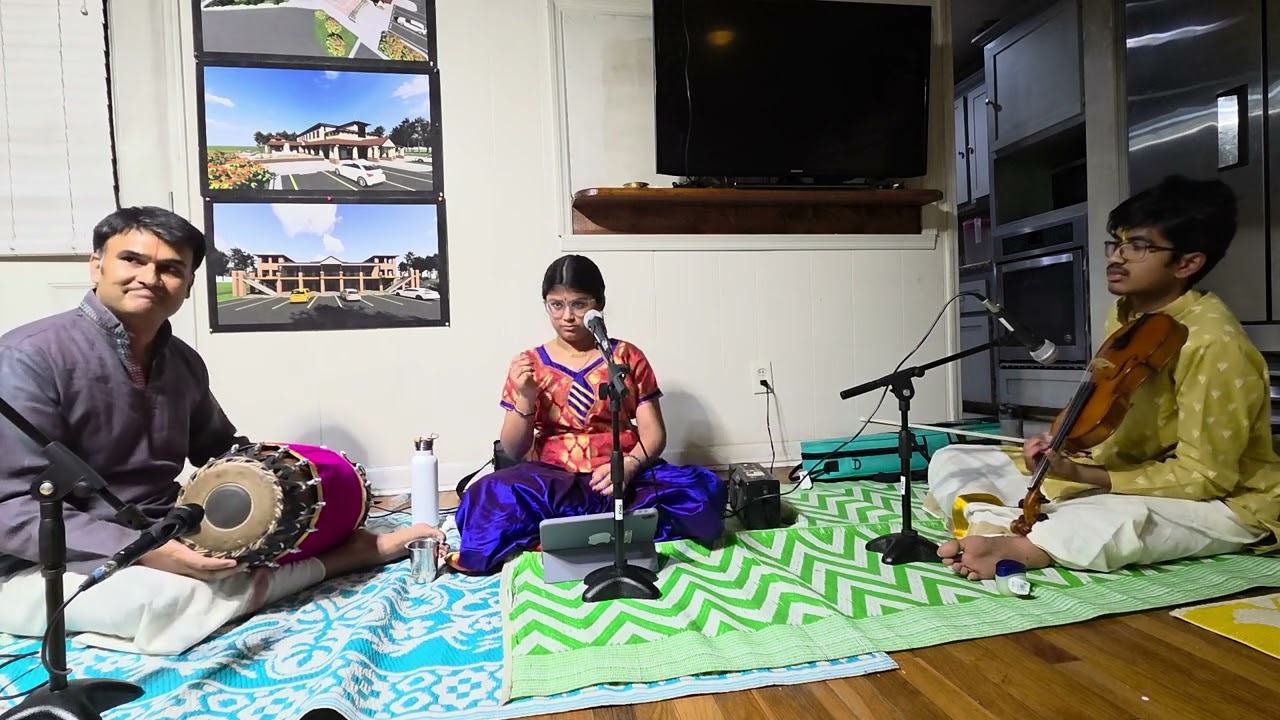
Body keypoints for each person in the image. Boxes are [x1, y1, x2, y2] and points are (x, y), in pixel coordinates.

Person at [0, 206, 445, 655]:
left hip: (162, 530)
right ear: (97, 266)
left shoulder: (183, 362)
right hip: (48, 559)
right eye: (132, 260)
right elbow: (9, 508)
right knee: (168, 599)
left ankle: (284, 568)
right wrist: (144, 551)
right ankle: (340, 561)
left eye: (171, 268)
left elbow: (223, 451)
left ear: (189, 285)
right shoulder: (28, 358)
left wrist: (301, 487)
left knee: (267, 539)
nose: (150, 278)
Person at [924, 175, 1280, 580]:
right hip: (1123, 466)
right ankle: (1010, 525)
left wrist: (1083, 477)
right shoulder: (1127, 314)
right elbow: (1110, 406)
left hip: (1227, 500)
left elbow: (1206, 478)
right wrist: (1062, 448)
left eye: (1139, 247)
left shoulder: (1215, 343)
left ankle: (1022, 544)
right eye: (1118, 243)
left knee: (1114, 519)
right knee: (953, 458)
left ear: (1187, 263)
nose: (1118, 257)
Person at [448, 255, 726, 574]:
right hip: (555, 480)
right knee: (487, 495)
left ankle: (565, 533)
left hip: (623, 476)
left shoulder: (625, 356)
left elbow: (654, 433)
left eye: (579, 305)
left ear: (599, 304)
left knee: (702, 492)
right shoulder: (528, 364)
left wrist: (631, 465)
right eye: (556, 305)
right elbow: (514, 449)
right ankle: (606, 529)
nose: (567, 317)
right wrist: (525, 397)